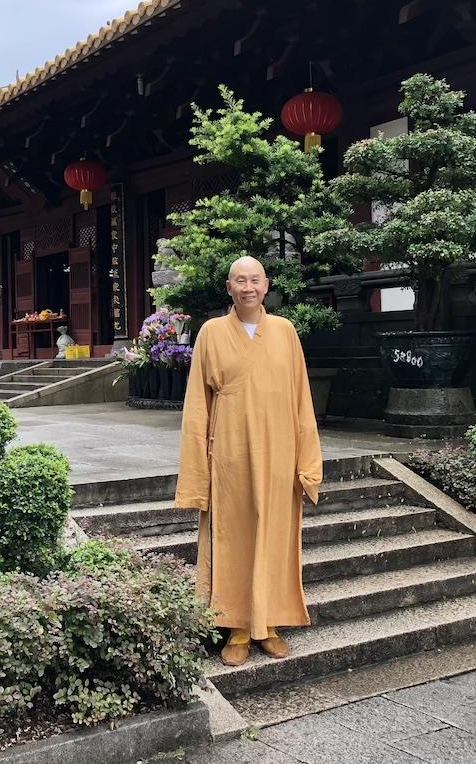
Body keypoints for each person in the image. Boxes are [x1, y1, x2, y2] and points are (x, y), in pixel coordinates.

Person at [175, 256, 322, 667]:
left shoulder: (285, 331)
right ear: (229, 288)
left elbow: (301, 398)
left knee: (275, 536)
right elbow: (196, 405)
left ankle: (269, 624)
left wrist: (307, 460)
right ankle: (237, 627)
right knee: (233, 538)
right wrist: (196, 473)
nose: (248, 287)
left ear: (266, 285)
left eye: (255, 280)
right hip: (230, 454)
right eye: (240, 281)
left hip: (278, 452)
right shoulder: (211, 332)